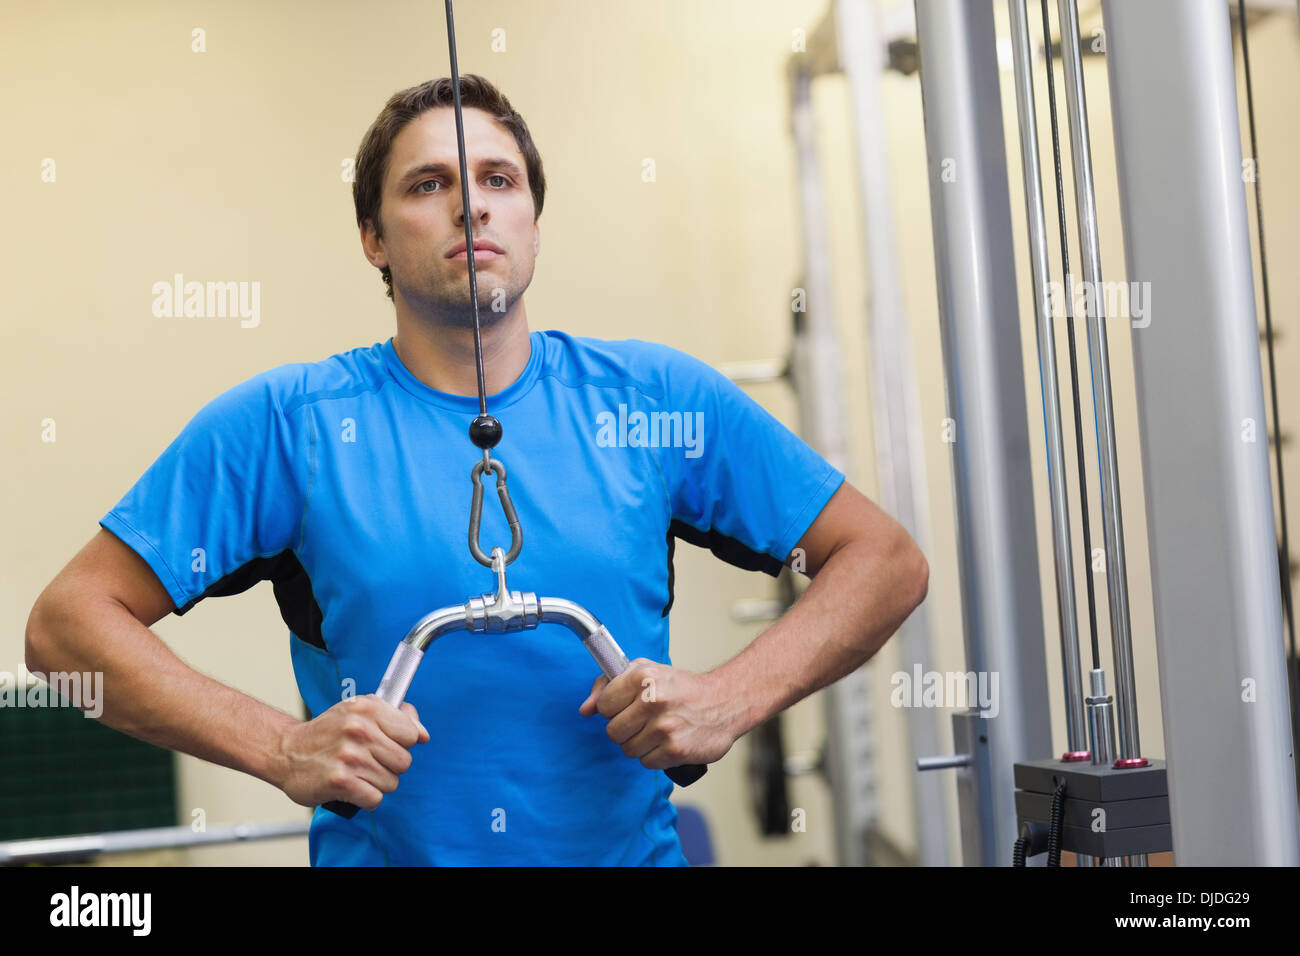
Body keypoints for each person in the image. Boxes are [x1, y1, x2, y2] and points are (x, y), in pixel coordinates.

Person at [25, 75, 929, 866]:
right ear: (373, 238)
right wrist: (281, 747)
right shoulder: (287, 425)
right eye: (430, 185)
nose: (472, 207)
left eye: (499, 180)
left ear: (534, 220)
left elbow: (883, 560)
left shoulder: (653, 397)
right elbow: (67, 630)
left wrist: (732, 697)